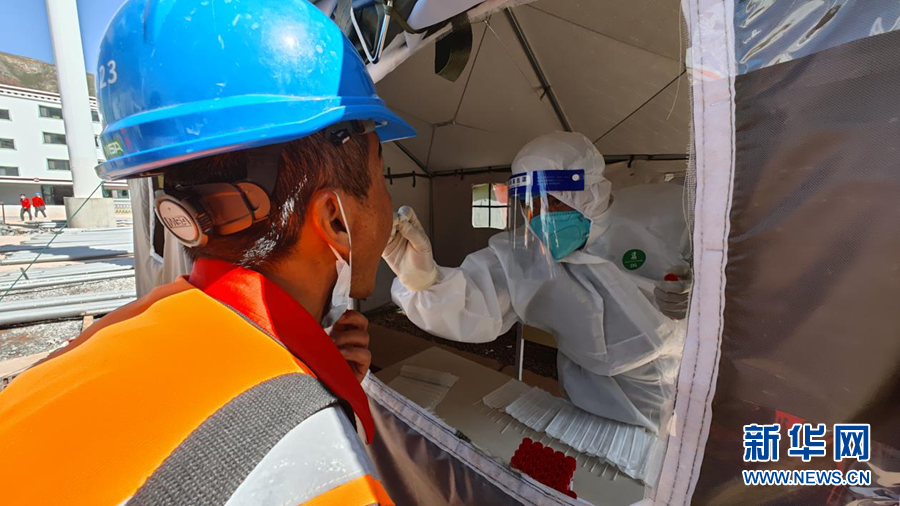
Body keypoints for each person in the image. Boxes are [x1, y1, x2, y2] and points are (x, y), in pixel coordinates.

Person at [0, 1, 414, 504]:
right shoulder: (322, 468)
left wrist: (315, 377)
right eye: (381, 177)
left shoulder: (93, 348)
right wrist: (307, 401)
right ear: (335, 220)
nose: (388, 200)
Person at [384, 132, 691, 432]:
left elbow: (718, 275)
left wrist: (699, 301)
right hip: (586, 403)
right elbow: (473, 302)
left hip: (673, 392)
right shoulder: (525, 255)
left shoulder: (659, 215)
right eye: (530, 205)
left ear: (589, 193)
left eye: (552, 202)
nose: (540, 218)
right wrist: (425, 283)